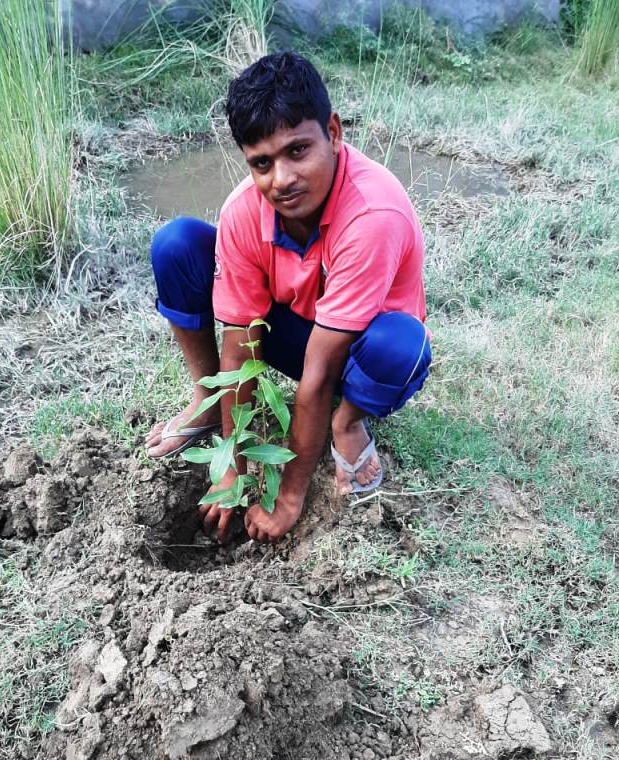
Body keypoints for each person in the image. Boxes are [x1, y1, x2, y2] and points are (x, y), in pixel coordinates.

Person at [144, 51, 431, 544]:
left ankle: (348, 422)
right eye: (262, 163)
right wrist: (231, 469)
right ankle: (206, 402)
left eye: (298, 150)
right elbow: (240, 349)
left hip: (361, 354)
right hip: (299, 330)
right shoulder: (243, 211)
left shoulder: (371, 216)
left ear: (333, 132)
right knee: (179, 245)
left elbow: (319, 371)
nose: (281, 179)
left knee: (399, 344)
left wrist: (290, 494)